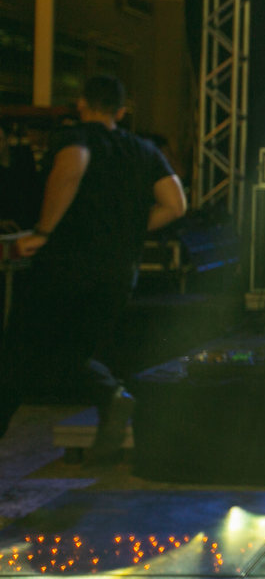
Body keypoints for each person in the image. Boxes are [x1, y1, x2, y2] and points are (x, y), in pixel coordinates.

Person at [0, 76, 187, 460]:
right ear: (121, 111)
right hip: (119, 271)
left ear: (83, 104)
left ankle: (108, 395)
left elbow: (72, 168)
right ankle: (110, 395)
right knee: (73, 352)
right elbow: (175, 204)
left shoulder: (78, 137)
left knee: (20, 349)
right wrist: (129, 230)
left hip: (67, 263)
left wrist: (44, 231)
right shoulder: (144, 149)